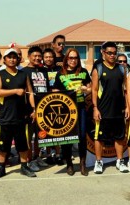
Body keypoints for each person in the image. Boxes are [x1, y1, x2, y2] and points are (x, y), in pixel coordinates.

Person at [0, 48, 36, 179]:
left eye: (14, 57)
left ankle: (24, 166)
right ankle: (1, 168)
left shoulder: (23, 74)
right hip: (5, 115)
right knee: (3, 145)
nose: (12, 59)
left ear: (18, 59)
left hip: (21, 115)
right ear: (4, 59)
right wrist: (15, 91)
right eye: (9, 57)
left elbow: (30, 93)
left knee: (22, 144)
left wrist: (33, 109)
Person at [53, 48, 92, 176]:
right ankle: (69, 164)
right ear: (66, 59)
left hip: (81, 108)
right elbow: (54, 91)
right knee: (67, 138)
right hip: (66, 111)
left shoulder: (84, 72)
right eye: (70, 58)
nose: (73, 60)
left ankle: (82, 164)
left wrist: (85, 89)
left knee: (81, 137)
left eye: (75, 58)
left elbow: (91, 89)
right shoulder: (60, 74)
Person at [91, 41, 128, 174]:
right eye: (109, 53)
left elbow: (126, 90)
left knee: (119, 137)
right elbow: (94, 90)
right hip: (103, 110)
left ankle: (120, 161)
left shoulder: (121, 69)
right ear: (103, 53)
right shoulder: (98, 69)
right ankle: (99, 162)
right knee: (99, 138)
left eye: (114, 53)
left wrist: (128, 107)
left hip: (118, 110)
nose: (112, 55)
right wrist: (95, 108)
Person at [22, 46, 50, 171]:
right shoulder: (24, 72)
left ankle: (37, 157)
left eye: (39, 56)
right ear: (29, 56)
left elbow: (48, 89)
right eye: (35, 56)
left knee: (41, 136)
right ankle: (29, 160)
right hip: (30, 110)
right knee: (29, 137)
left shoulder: (44, 71)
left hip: (44, 108)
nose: (38, 58)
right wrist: (30, 110)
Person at [42, 48, 64, 165]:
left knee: (58, 129)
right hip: (44, 103)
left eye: (50, 57)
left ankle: (59, 154)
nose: (48, 59)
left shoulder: (60, 70)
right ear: (43, 58)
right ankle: (49, 154)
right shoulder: (40, 70)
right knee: (47, 130)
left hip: (58, 102)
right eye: (46, 57)